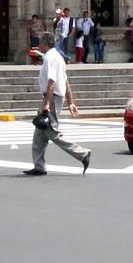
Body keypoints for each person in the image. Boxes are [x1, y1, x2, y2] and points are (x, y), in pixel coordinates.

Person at [24, 32, 91, 176]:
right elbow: (66, 81)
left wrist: (47, 104)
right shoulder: (58, 57)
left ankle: (82, 154)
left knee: (52, 132)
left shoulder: (49, 58)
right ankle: (39, 166)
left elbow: (52, 81)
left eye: (40, 41)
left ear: (45, 43)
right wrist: (70, 102)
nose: (39, 44)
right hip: (54, 97)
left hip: (52, 98)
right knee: (40, 132)